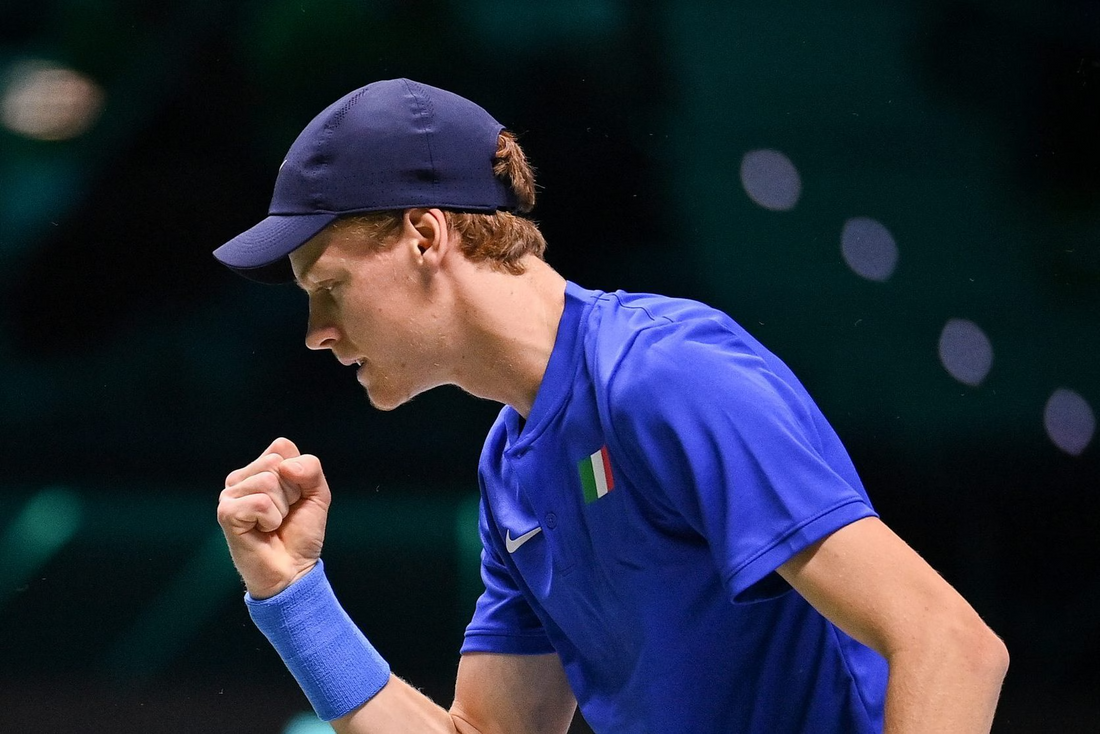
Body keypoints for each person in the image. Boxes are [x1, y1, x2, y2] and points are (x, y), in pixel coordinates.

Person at [213, 78, 1008, 733]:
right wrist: (293, 596)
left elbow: (949, 644)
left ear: (425, 235)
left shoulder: (666, 375)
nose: (315, 333)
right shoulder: (512, 467)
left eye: (329, 286)